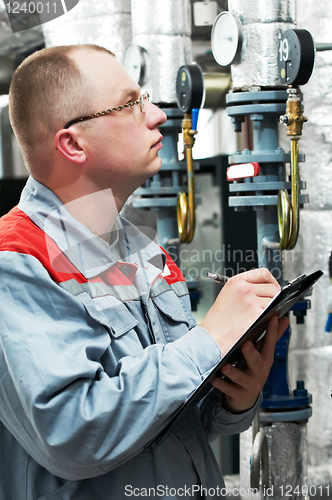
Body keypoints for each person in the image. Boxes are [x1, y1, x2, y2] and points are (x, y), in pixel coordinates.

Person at [0, 44, 288, 500]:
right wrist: (208, 341)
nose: (156, 116)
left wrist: (235, 394)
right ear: (72, 143)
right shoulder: (16, 261)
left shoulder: (144, 250)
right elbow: (72, 434)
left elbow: (175, 421)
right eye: (131, 104)